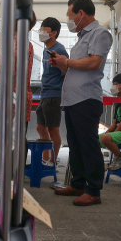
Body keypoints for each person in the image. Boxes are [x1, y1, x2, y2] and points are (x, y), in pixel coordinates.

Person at [51, 0, 113, 206]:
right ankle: (77, 183)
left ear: (81, 14)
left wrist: (67, 61)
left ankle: (93, 190)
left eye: (70, 15)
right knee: (75, 145)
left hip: (86, 98)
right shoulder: (81, 37)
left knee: (88, 145)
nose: (68, 20)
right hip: (73, 100)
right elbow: (76, 67)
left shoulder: (100, 33)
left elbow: (94, 62)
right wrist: (62, 65)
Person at [37, 17, 68, 166]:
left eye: (44, 30)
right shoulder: (45, 50)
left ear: (54, 33)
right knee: (40, 127)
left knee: (53, 129)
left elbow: (67, 73)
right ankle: (46, 158)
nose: (40, 32)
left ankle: (52, 161)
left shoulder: (59, 49)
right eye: (40, 29)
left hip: (54, 94)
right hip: (45, 93)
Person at [100, 73, 121, 171]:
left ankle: (119, 156)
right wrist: (107, 133)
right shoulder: (118, 101)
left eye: (115, 84)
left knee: (105, 138)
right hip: (118, 131)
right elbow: (115, 123)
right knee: (95, 139)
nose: (112, 87)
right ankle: (98, 162)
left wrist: (111, 135)